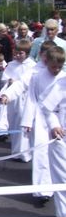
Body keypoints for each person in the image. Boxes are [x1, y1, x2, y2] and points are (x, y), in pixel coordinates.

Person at [21, 46, 65, 207]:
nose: (56, 69)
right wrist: (27, 120)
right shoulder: (37, 77)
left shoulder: (63, 78)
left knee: (58, 160)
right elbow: (32, 99)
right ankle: (43, 190)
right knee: (40, 153)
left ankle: (55, 185)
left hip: (60, 122)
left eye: (59, 66)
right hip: (40, 118)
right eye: (53, 66)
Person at [0, 40, 37, 161]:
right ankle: (15, 151)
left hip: (25, 98)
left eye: (21, 53)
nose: (18, 55)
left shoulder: (32, 66)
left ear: (27, 53)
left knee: (22, 123)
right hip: (12, 97)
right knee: (13, 122)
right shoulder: (11, 65)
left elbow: (29, 82)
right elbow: (5, 77)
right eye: (17, 53)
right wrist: (9, 81)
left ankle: (25, 153)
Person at [41, 76, 66, 217]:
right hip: (62, 140)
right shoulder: (62, 84)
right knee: (63, 184)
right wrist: (54, 125)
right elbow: (48, 109)